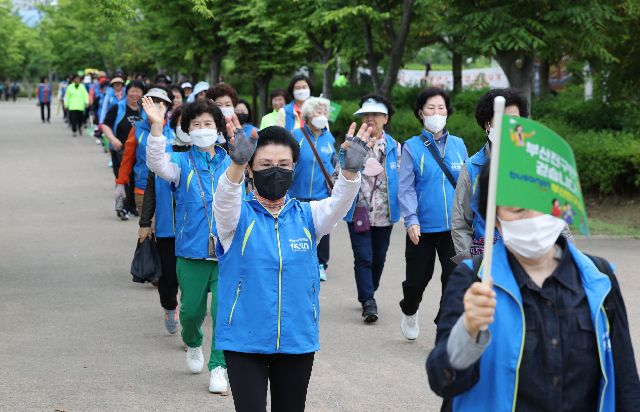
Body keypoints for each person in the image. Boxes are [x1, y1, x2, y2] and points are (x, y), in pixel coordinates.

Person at [426, 163, 640, 412]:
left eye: (541, 201)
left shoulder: (599, 278)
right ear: (495, 219)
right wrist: (468, 330)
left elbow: (625, 382)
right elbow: (442, 382)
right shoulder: (473, 281)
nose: (533, 217)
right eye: (517, 209)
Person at [213, 118, 372, 412]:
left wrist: (350, 172)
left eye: (284, 164)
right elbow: (224, 199)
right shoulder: (235, 219)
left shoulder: (308, 216)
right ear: (250, 168)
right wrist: (234, 166)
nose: (275, 170)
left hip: (297, 338)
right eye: (264, 164)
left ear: (294, 168)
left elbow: (339, 202)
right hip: (243, 340)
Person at [146, 98, 230, 394]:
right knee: (192, 312)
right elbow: (157, 164)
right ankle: (193, 344)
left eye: (209, 124)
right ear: (187, 130)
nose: (203, 129)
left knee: (223, 314)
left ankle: (219, 367)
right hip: (191, 252)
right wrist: (156, 127)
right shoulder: (180, 162)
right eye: (196, 125)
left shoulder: (232, 162)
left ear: (218, 128)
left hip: (227, 254)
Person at [451, 88, 574, 262]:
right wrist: (471, 264)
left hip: (531, 257)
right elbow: (460, 224)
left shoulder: (536, 165)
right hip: (487, 260)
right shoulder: (472, 168)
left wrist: (568, 257)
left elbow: (557, 217)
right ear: (488, 124)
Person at [398, 87, 468, 340]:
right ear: (420, 113)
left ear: (447, 112)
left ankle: (444, 326)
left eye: (441, 108)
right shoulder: (411, 148)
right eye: (431, 108)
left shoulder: (459, 145)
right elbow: (405, 188)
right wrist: (411, 220)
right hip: (422, 229)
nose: (436, 113)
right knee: (416, 281)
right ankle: (409, 308)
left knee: (454, 280)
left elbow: (468, 185)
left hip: (455, 229)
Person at [337, 95, 401, 323]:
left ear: (386, 118)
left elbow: (404, 179)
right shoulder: (353, 143)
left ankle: (369, 289)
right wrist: (348, 157)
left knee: (379, 258)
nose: (370, 118)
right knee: (363, 257)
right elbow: (338, 175)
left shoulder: (396, 147)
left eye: (375, 114)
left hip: (385, 213)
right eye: (366, 114)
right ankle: (368, 301)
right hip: (359, 211)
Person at [138, 105, 190, 334]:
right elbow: (151, 189)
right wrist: (144, 223)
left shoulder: (205, 154)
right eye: (182, 122)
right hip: (167, 229)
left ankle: (190, 320)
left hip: (194, 229)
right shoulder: (161, 150)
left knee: (192, 280)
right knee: (168, 279)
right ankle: (170, 306)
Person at [289, 97, 336, 281]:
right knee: (298, 230)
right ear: (308, 115)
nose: (322, 116)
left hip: (321, 193)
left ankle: (320, 264)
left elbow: (332, 164)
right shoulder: (295, 135)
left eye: (325, 113)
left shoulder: (329, 138)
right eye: (318, 112)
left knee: (322, 230)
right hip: (296, 192)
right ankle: (297, 262)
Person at [115, 88, 174, 216]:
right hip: (143, 190)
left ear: (167, 106)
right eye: (151, 101)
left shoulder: (175, 130)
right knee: (148, 230)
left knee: (165, 234)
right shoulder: (137, 129)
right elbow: (127, 158)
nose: (155, 105)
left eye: (160, 101)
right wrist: (120, 183)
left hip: (171, 190)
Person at [102, 80, 145, 219]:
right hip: (120, 151)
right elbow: (105, 125)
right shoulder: (117, 108)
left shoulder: (146, 110)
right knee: (121, 179)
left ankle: (133, 208)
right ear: (126, 93)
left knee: (135, 179)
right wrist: (113, 140)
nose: (135, 94)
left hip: (140, 153)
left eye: (138, 91)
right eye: (132, 91)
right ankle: (120, 208)